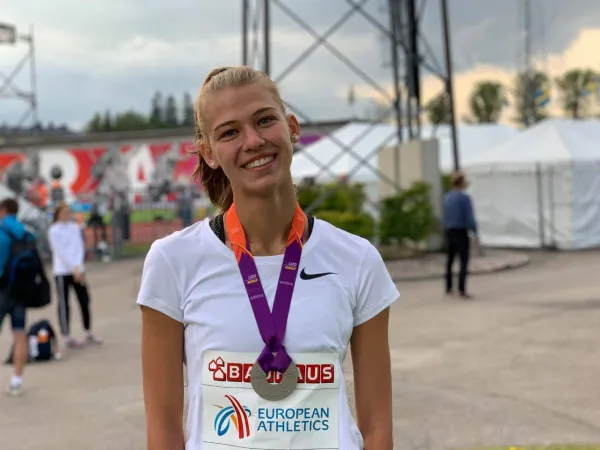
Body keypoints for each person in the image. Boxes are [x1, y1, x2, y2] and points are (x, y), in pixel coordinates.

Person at [137, 66, 399, 450]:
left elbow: (377, 430)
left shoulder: (356, 259)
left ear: (291, 128)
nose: (253, 141)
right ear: (209, 153)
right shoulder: (173, 261)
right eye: (230, 132)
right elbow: (163, 434)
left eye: (264, 121)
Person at [48, 203, 102, 348]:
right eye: (64, 213)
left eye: (68, 212)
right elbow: (60, 251)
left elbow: (78, 246)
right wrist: (72, 267)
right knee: (64, 302)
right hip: (62, 270)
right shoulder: (54, 230)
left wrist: (78, 266)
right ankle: (66, 334)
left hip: (77, 269)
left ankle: (88, 330)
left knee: (84, 299)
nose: (67, 215)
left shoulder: (74, 228)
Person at [0, 198, 32, 396]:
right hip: (21, 290)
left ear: (3, 210)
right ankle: (17, 380)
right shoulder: (25, 232)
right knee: (19, 334)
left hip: (2, 289)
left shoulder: (1, 231)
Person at [443, 171, 478, 298]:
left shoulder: (447, 197)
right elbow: (469, 216)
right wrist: (474, 231)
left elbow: (445, 214)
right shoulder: (465, 198)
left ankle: (448, 286)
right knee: (463, 260)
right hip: (461, 230)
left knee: (450, 260)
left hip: (449, 230)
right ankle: (461, 288)